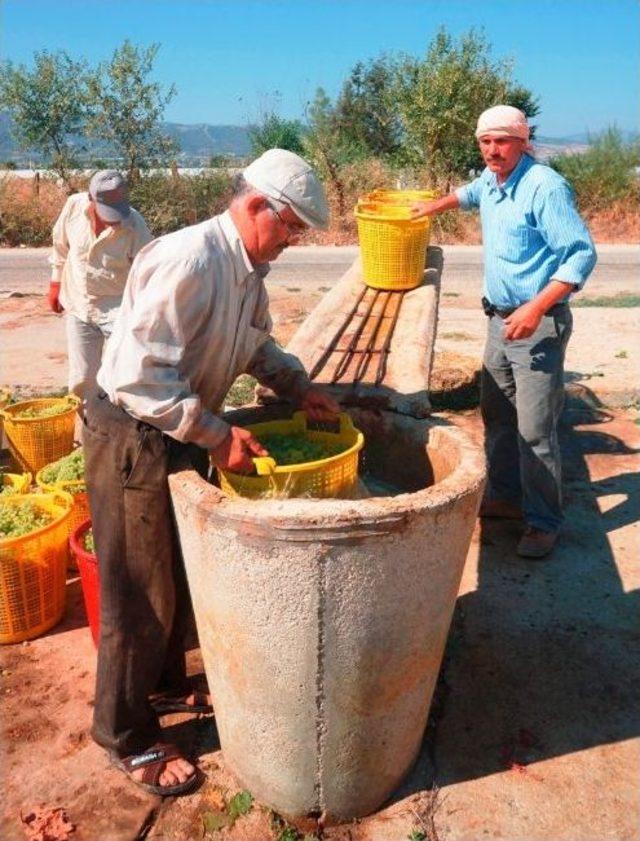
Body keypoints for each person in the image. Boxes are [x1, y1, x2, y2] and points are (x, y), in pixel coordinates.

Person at [83, 149, 340, 796]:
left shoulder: (247, 270)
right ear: (258, 207)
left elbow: (254, 344)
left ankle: (166, 682)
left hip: (175, 427)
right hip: (133, 431)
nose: (292, 241)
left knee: (174, 569)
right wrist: (218, 434)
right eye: (291, 227)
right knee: (139, 592)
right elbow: (138, 377)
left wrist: (296, 384)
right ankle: (125, 734)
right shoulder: (191, 258)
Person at [413, 105, 597, 559]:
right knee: (496, 415)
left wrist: (536, 309)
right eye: (485, 142)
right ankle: (508, 497)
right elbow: (473, 192)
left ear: (523, 142)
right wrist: (433, 207)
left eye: (502, 142)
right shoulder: (494, 180)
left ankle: (543, 522)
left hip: (536, 323)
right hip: (498, 320)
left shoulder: (544, 187)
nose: (493, 151)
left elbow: (580, 256)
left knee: (535, 430)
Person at [48, 170, 152, 404]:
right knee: (82, 378)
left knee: (127, 373)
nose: (112, 218)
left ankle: (127, 425)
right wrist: (55, 283)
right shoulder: (73, 207)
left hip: (117, 310)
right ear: (91, 199)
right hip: (78, 304)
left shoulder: (135, 226)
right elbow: (60, 245)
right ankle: (87, 427)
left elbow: (147, 272)